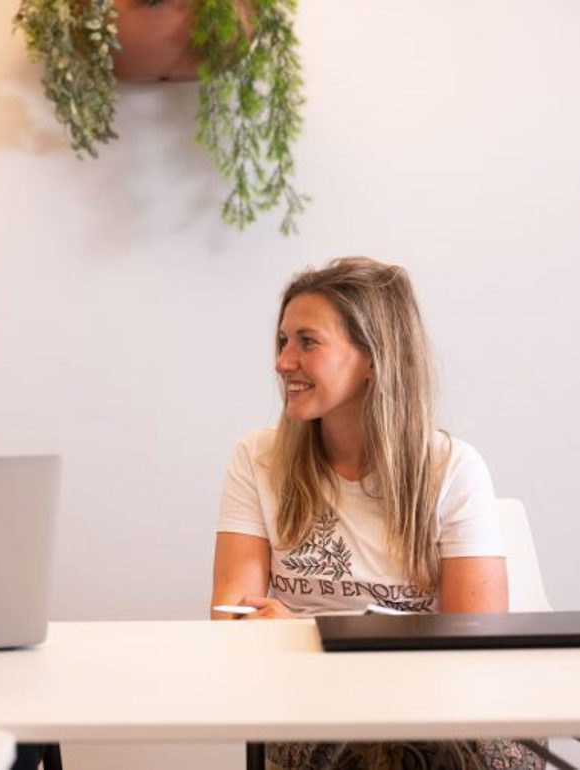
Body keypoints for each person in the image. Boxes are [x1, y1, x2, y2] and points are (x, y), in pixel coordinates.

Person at [211, 257, 542, 770]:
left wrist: (302, 631)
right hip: (309, 705)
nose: (282, 362)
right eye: (283, 341)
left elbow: (476, 645)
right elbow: (233, 617)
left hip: (437, 708)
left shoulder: (452, 468)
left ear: (373, 358)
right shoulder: (257, 459)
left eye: (307, 341)